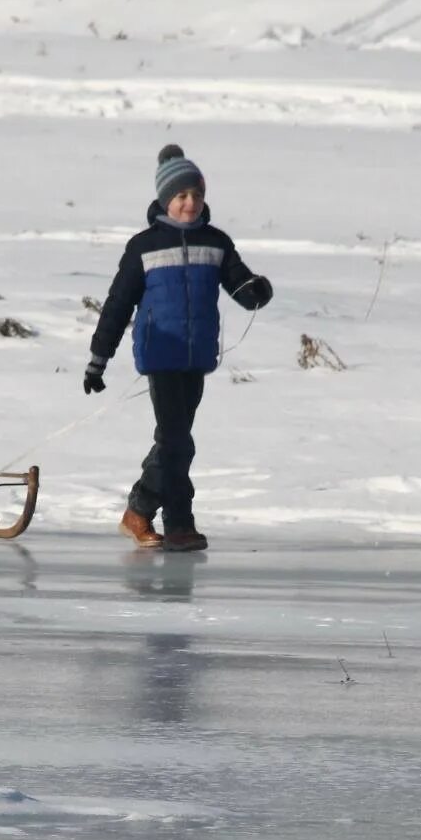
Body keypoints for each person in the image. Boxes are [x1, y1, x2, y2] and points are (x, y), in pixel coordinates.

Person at [84, 144, 273, 552]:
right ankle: (179, 524)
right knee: (176, 441)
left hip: (197, 356)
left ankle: (138, 510)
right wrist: (98, 361)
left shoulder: (216, 243)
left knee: (175, 439)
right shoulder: (144, 247)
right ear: (166, 199)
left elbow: (240, 286)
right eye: (182, 196)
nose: (190, 203)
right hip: (161, 355)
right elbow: (117, 305)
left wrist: (256, 291)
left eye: (197, 195)